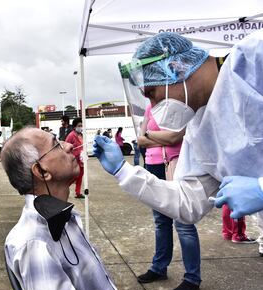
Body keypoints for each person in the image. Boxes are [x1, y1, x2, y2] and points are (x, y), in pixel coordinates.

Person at [93, 31, 263, 251]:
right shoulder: (199, 133)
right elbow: (188, 202)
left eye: (152, 93)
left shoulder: (252, 57)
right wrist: (123, 171)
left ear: (175, 68)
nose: (154, 107)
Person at [2, 127, 158, 290]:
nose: (68, 145)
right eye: (56, 145)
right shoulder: (36, 244)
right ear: (42, 171)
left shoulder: (66, 218)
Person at [136, 105, 201, 290]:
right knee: (160, 221)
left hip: (175, 163)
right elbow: (140, 140)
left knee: (183, 222)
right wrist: (155, 136)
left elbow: (175, 137)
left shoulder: (178, 104)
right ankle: (159, 267)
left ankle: (192, 277)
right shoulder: (149, 108)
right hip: (153, 165)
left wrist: (149, 136)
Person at [65, 118, 85, 199]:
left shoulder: (81, 135)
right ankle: (64, 188)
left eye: (81, 125)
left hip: (81, 159)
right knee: (74, 177)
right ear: (74, 127)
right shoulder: (71, 135)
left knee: (80, 176)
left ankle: (78, 192)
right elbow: (66, 146)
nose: (80, 127)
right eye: (79, 126)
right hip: (74, 160)